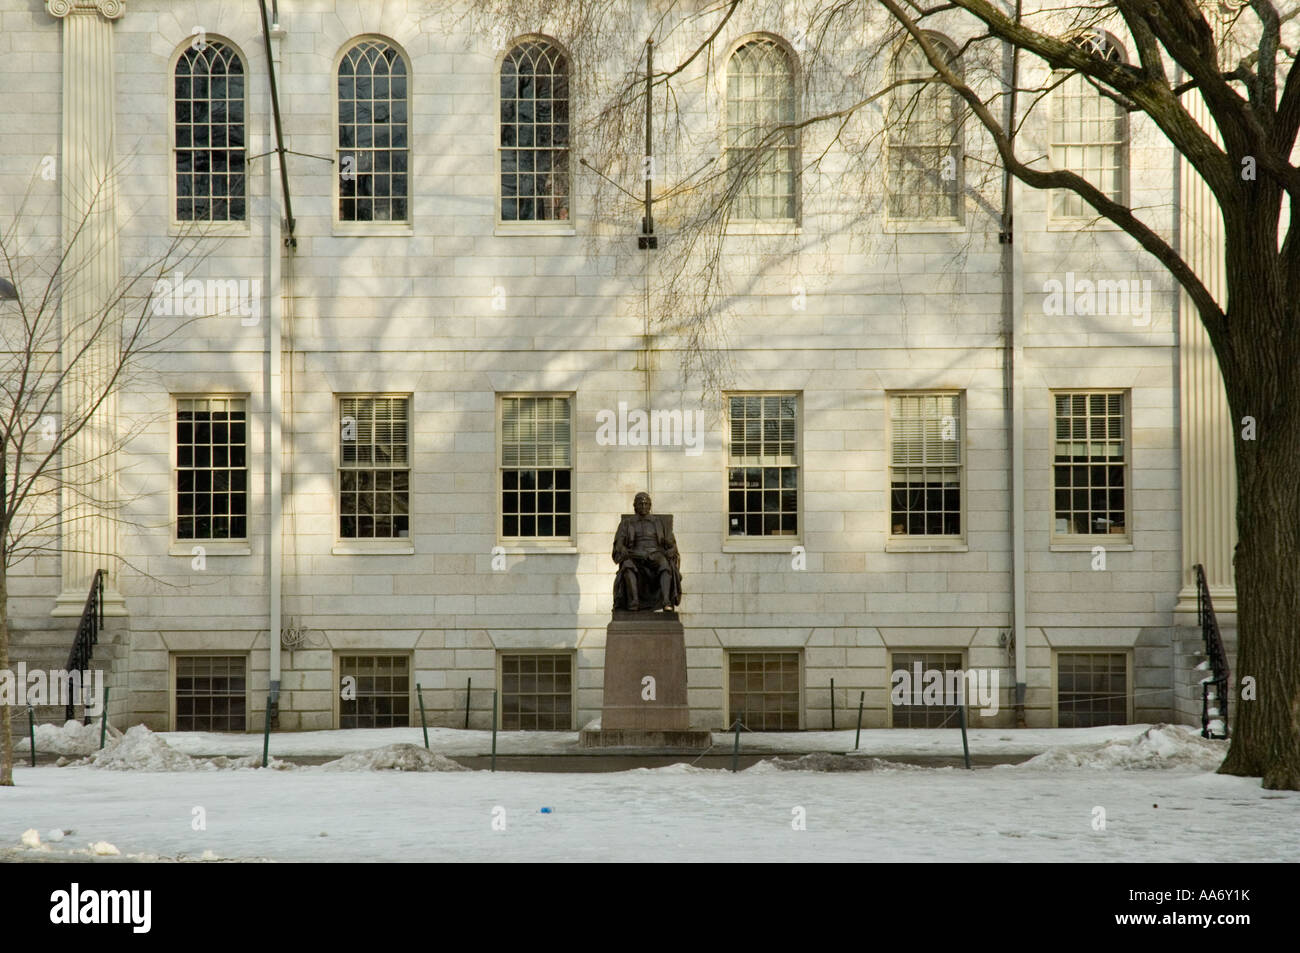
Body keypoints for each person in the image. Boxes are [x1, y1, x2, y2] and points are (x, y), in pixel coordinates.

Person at [612, 492, 682, 611]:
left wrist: (671, 550)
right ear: (635, 506)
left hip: (656, 554)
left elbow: (671, 544)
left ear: (650, 506)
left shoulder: (659, 523)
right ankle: (633, 602)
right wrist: (626, 551)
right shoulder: (626, 523)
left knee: (665, 565)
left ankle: (666, 601)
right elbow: (619, 544)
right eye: (640, 504)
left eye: (646, 504)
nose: (643, 506)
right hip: (634, 555)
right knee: (627, 565)